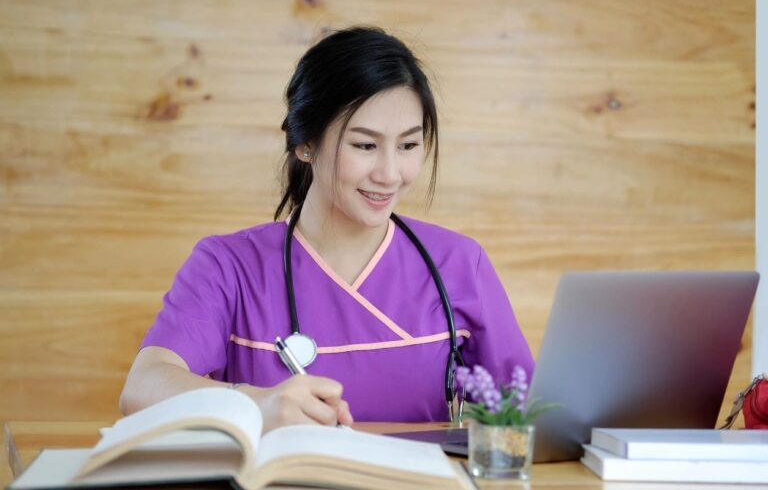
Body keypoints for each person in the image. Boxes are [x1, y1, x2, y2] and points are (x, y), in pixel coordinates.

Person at [120, 26, 534, 433]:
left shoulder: (459, 263)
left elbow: (532, 411)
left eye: (408, 145)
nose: (390, 174)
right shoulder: (228, 266)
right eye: (365, 145)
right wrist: (255, 405)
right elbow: (143, 387)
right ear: (306, 144)